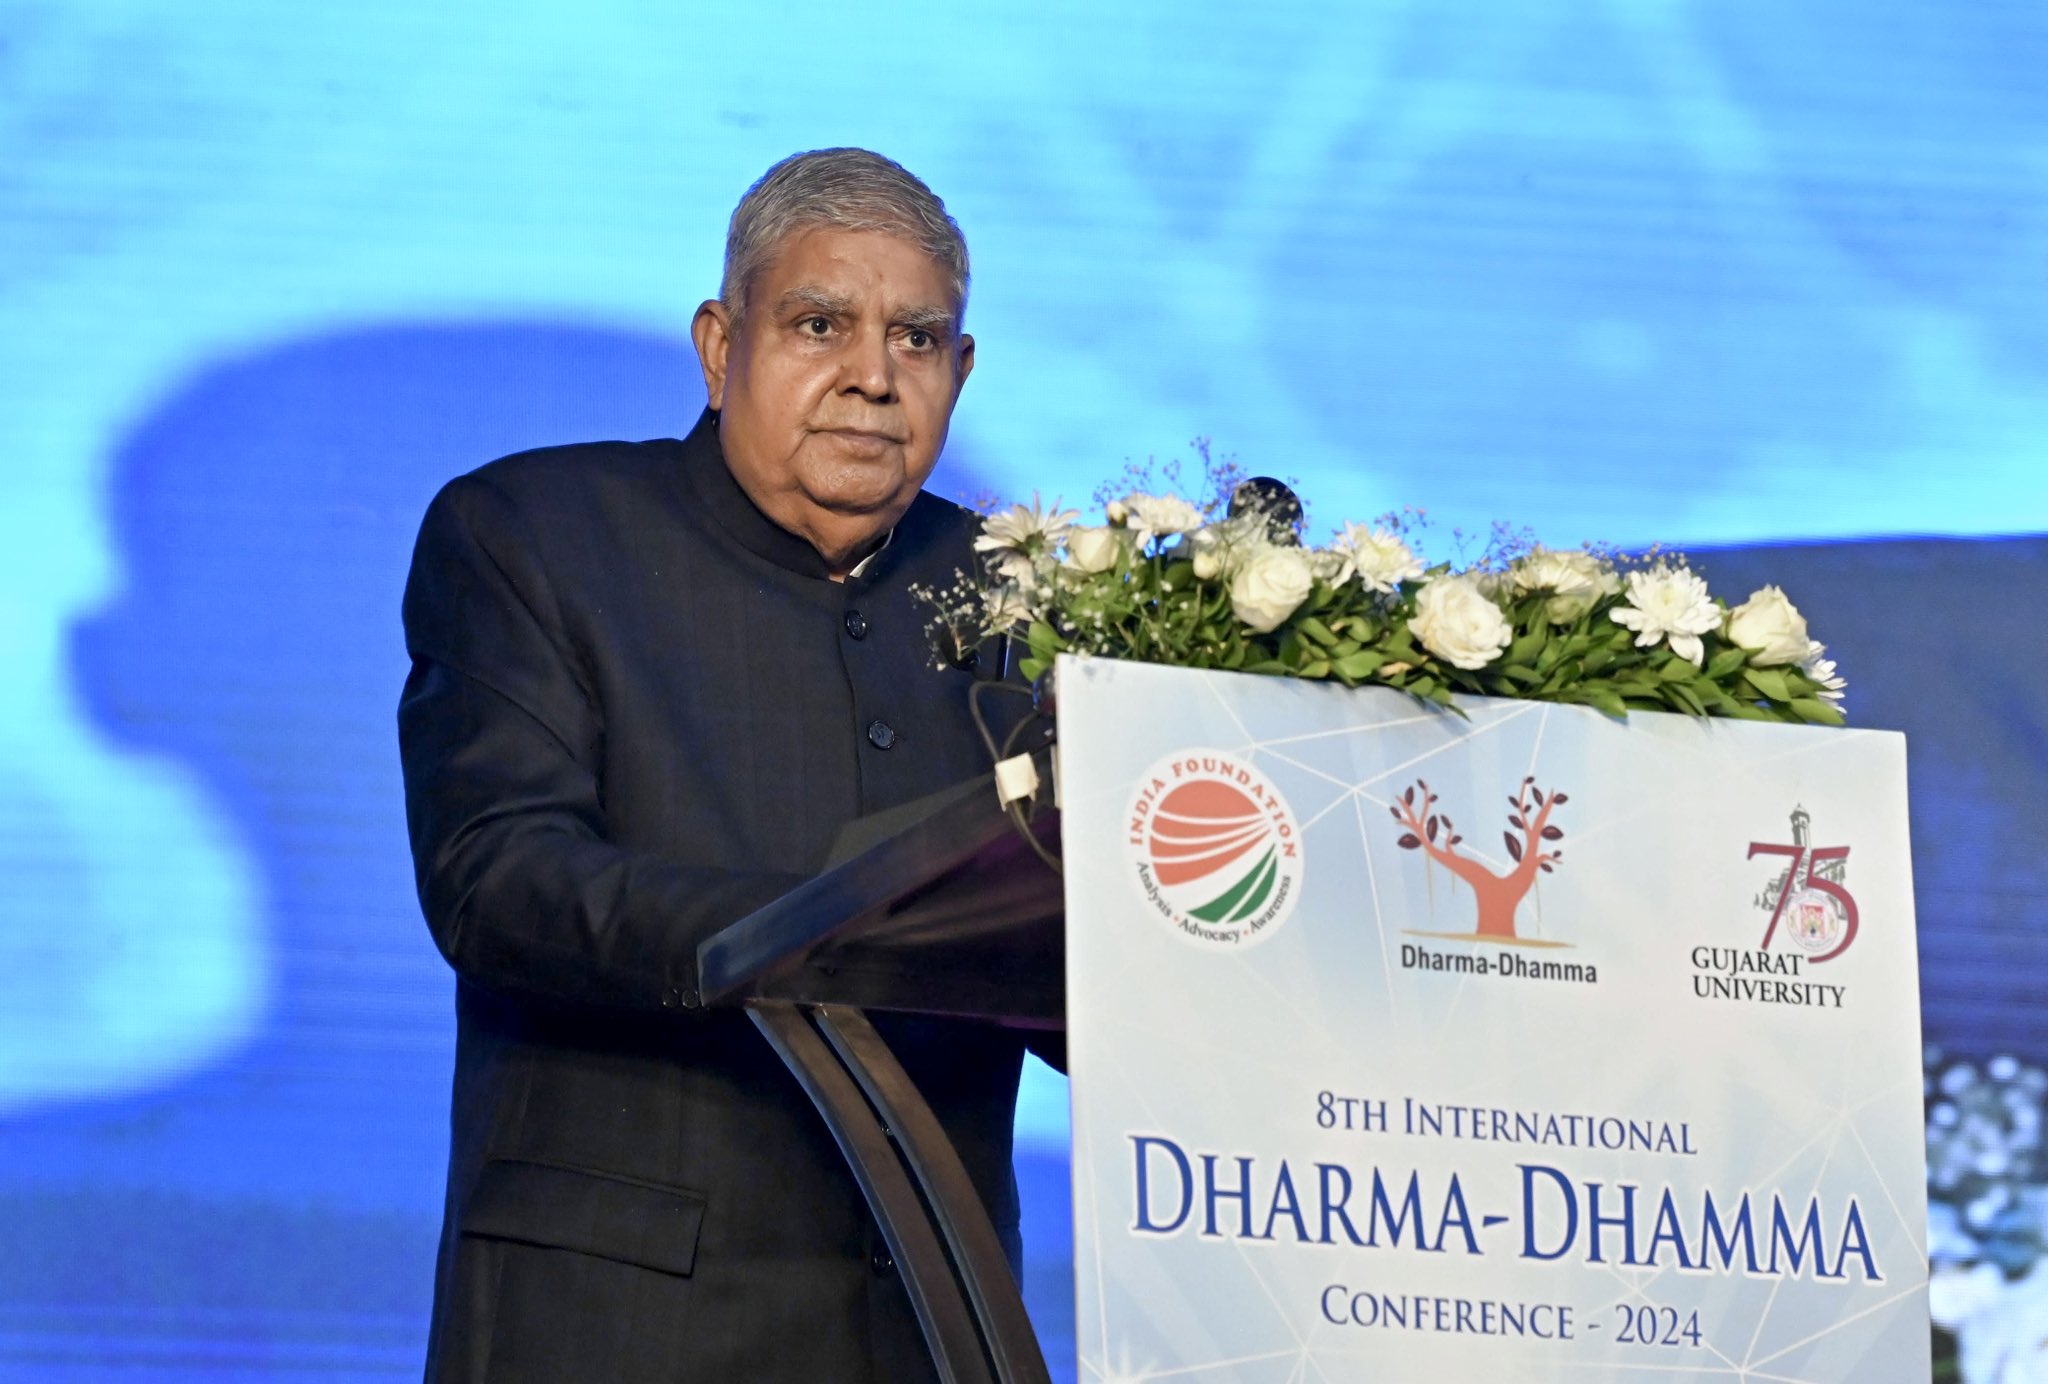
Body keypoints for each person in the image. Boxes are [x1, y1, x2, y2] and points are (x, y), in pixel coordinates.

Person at [398, 148, 1027, 1383]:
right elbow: (494, 877)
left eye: (914, 339)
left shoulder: (1020, 588)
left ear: (958, 373)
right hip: (617, 1319)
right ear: (718, 345)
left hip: (933, 1325)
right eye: (817, 324)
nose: (869, 376)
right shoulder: (536, 532)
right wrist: (836, 924)